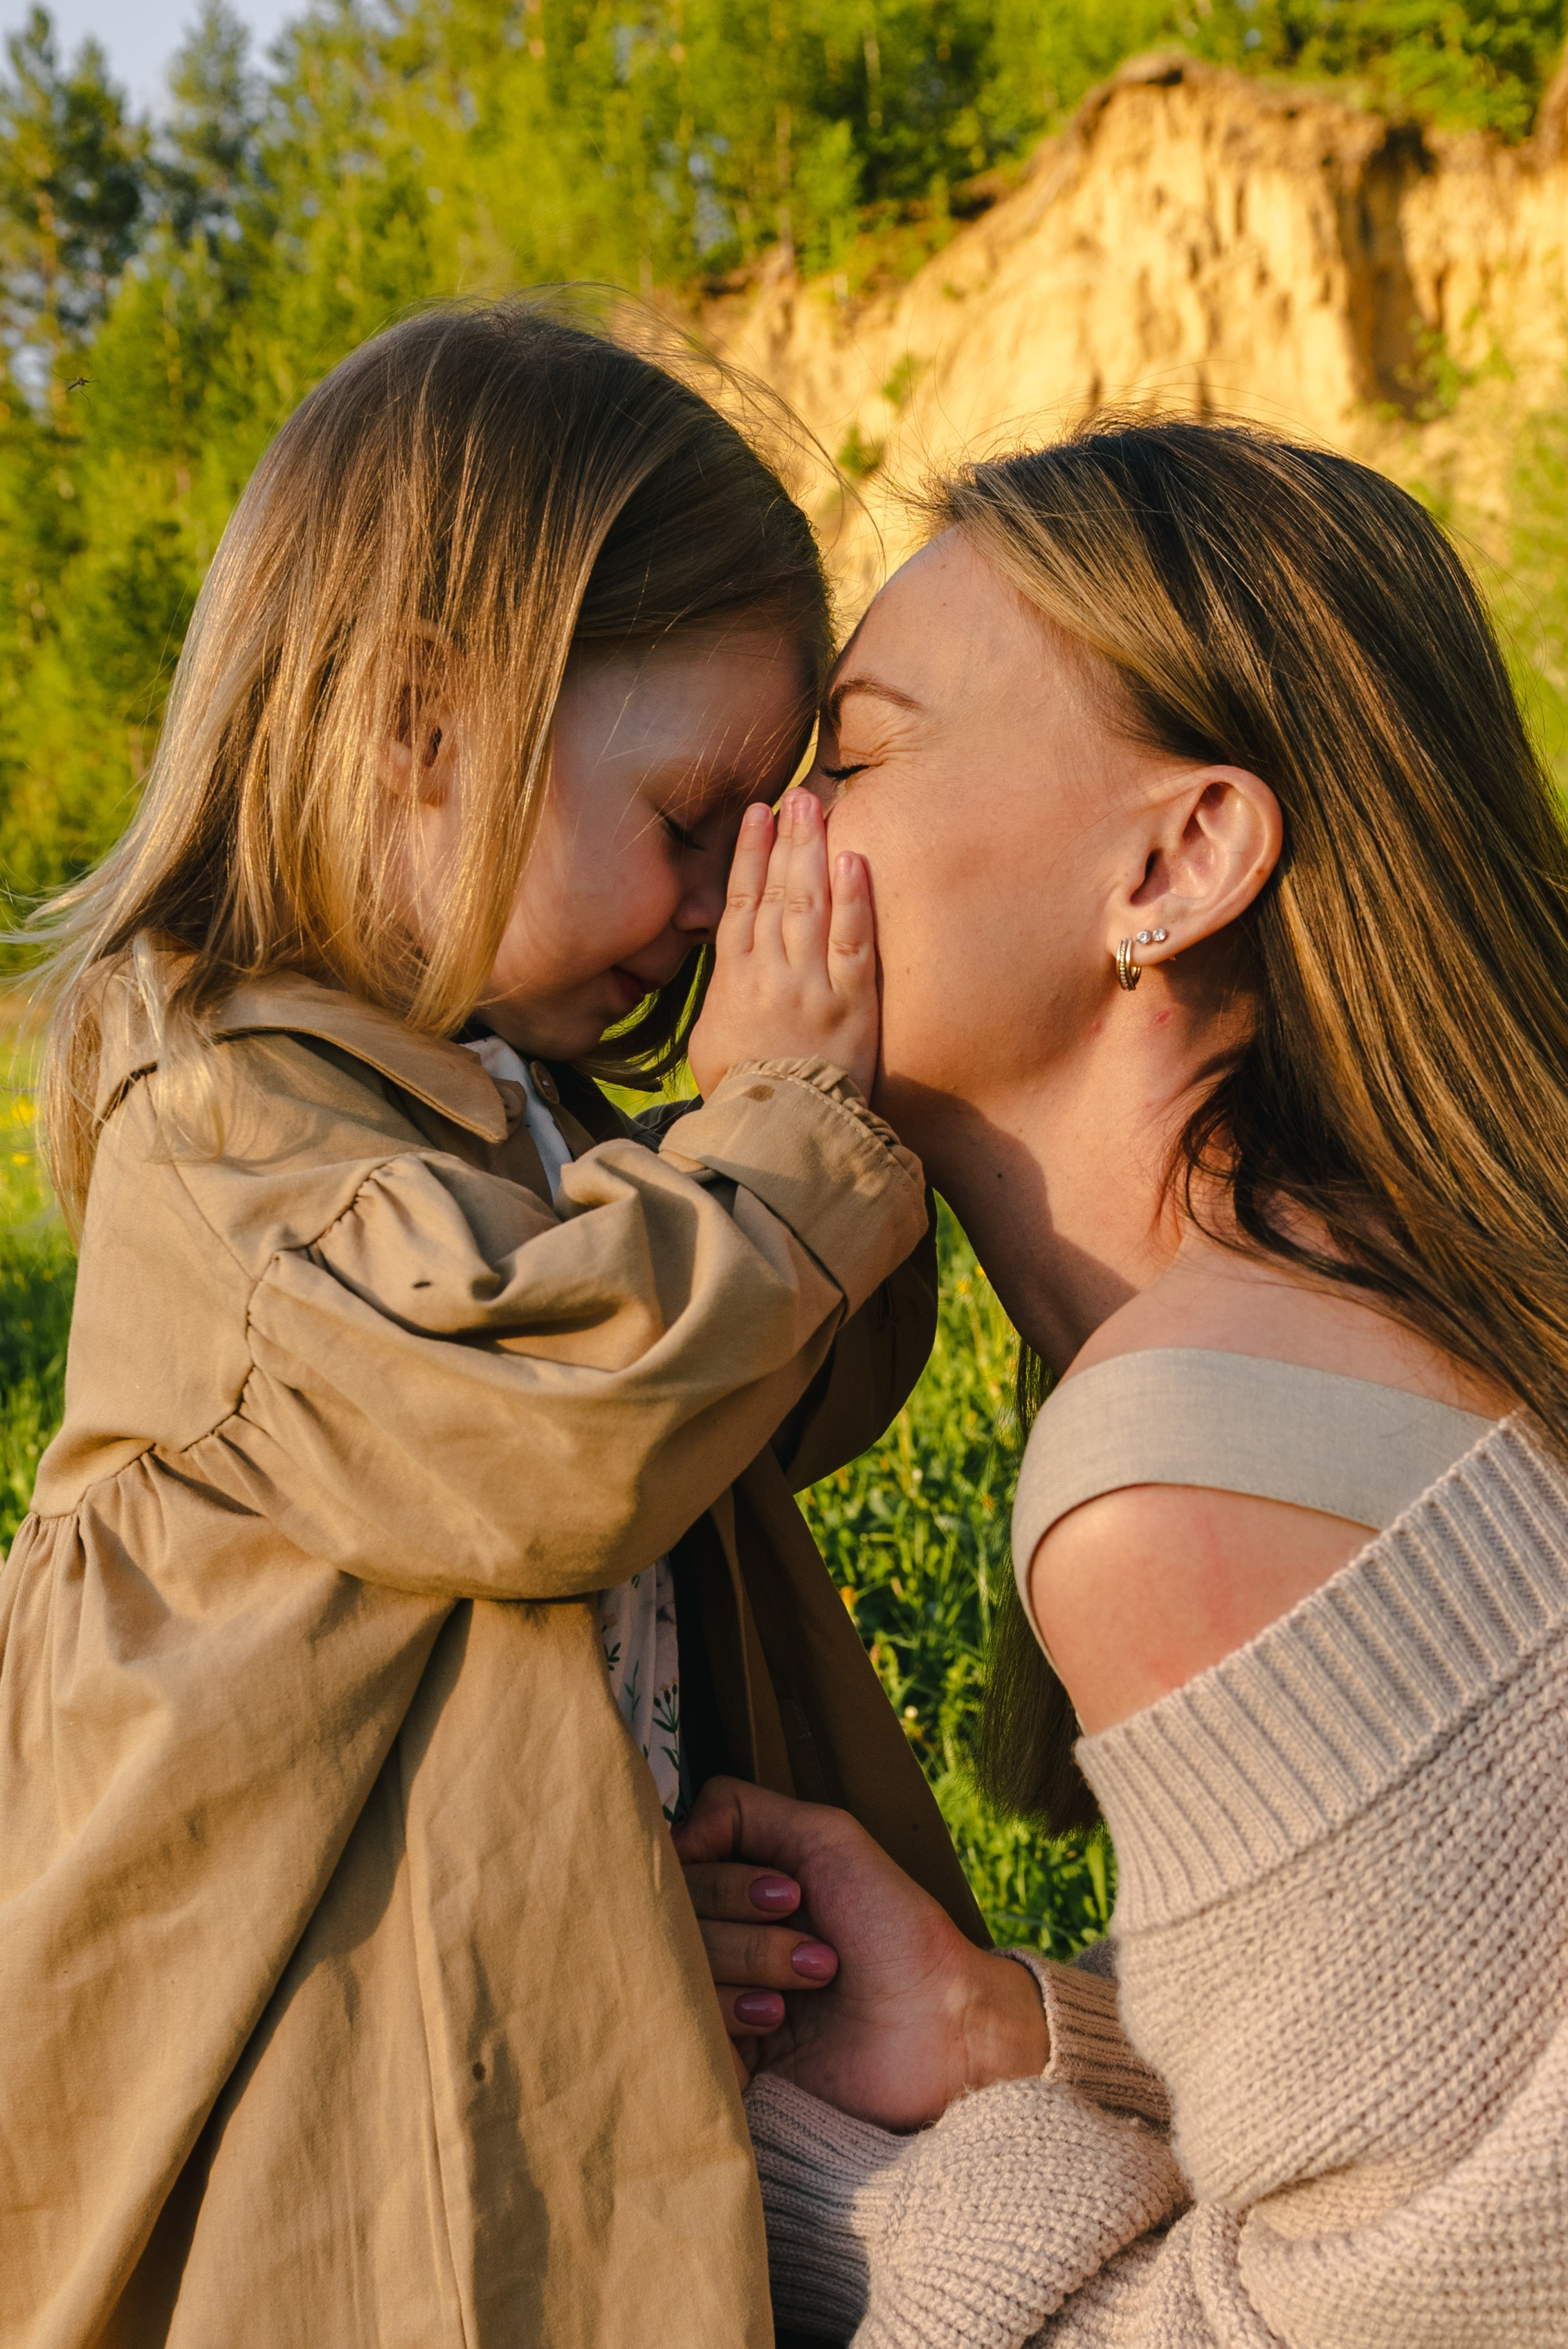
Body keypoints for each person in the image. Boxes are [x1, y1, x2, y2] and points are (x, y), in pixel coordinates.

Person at [0, 300, 985, 2349]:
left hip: (503, 2072)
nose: (723, 899)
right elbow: (562, 1425)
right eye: (691, 817)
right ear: (421, 725)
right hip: (301, 2147)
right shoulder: (230, 1132)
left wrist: (610, 1902)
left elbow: (761, 1401)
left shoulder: (522, 1121)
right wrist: (781, 1138)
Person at [677, 419, 1568, 2344]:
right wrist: (1024, 2029)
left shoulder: (1187, 1458)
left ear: (1174, 861)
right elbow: (1486, 2104)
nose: (765, 835)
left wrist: (758, 2160)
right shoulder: (1390, 1304)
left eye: (851, 753)